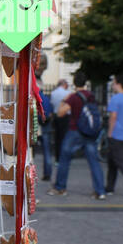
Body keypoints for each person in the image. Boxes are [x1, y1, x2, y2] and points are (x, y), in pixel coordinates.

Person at [49, 71, 106, 199]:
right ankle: (100, 191)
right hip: (90, 133)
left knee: (64, 158)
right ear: (85, 83)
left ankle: (60, 187)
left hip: (75, 131)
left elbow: (60, 113)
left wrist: (64, 100)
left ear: (74, 83)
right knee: (94, 161)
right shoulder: (90, 96)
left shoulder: (74, 97)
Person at [50, 78, 71, 153]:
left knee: (57, 137)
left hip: (56, 116)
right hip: (65, 116)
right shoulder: (68, 93)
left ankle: (57, 156)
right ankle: (64, 154)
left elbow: (52, 104)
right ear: (64, 85)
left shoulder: (53, 93)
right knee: (65, 136)